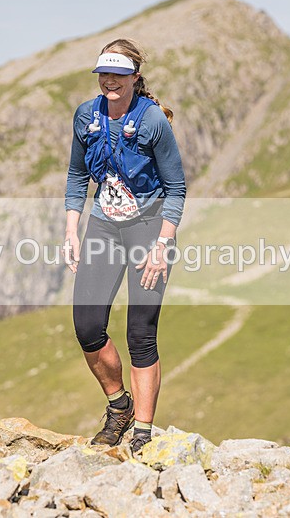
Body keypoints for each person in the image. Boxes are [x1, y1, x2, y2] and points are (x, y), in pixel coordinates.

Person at [64, 39, 186, 454]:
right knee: (87, 325)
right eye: (104, 72)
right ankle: (120, 406)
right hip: (103, 225)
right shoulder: (86, 116)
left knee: (140, 333)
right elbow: (77, 178)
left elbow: (177, 188)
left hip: (149, 228)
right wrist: (70, 231)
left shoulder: (152, 120)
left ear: (135, 77)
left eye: (118, 73)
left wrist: (161, 246)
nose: (110, 80)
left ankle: (143, 433)